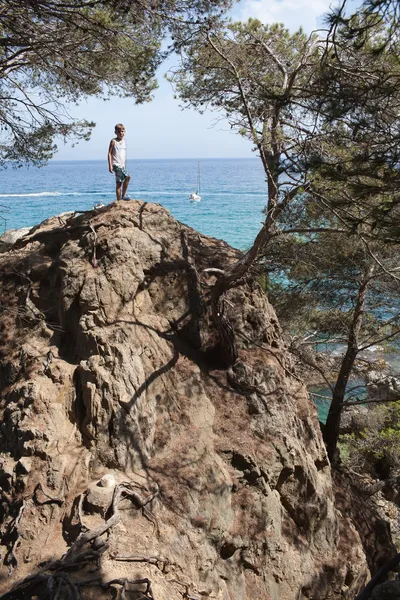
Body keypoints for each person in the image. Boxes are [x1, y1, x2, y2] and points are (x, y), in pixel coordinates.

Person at [108, 123, 131, 200]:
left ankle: (119, 200)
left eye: (122, 131)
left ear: (124, 132)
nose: (121, 133)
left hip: (122, 165)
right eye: (119, 132)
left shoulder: (124, 141)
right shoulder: (113, 141)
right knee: (127, 177)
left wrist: (124, 165)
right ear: (115, 132)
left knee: (119, 183)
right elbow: (109, 153)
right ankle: (123, 196)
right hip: (116, 165)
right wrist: (110, 165)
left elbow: (123, 155)